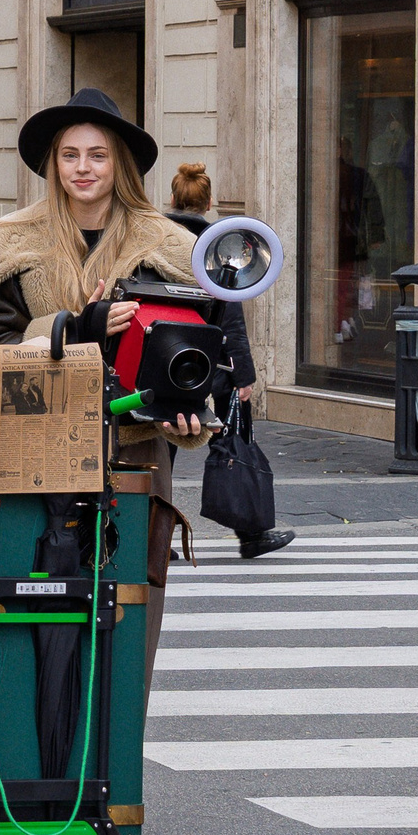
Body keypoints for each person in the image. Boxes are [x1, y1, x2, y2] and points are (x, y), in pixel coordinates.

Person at [0, 88, 208, 685]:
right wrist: (75, 328)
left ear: (120, 164)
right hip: (35, 453)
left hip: (133, 454)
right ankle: (35, 770)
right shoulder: (13, 240)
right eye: (70, 155)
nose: (83, 168)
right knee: (33, 618)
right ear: (53, 163)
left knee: (126, 623)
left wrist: (189, 415)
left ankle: (114, 769)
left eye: (98, 156)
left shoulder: (169, 247)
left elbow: (196, 350)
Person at [163, 162, 293, 561]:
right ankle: (252, 532)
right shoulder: (220, 245)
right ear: (209, 202)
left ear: (172, 199)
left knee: (154, 453)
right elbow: (230, 317)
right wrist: (244, 375)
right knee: (234, 441)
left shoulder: (156, 240)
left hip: (165, 358)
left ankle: (151, 540)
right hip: (214, 365)